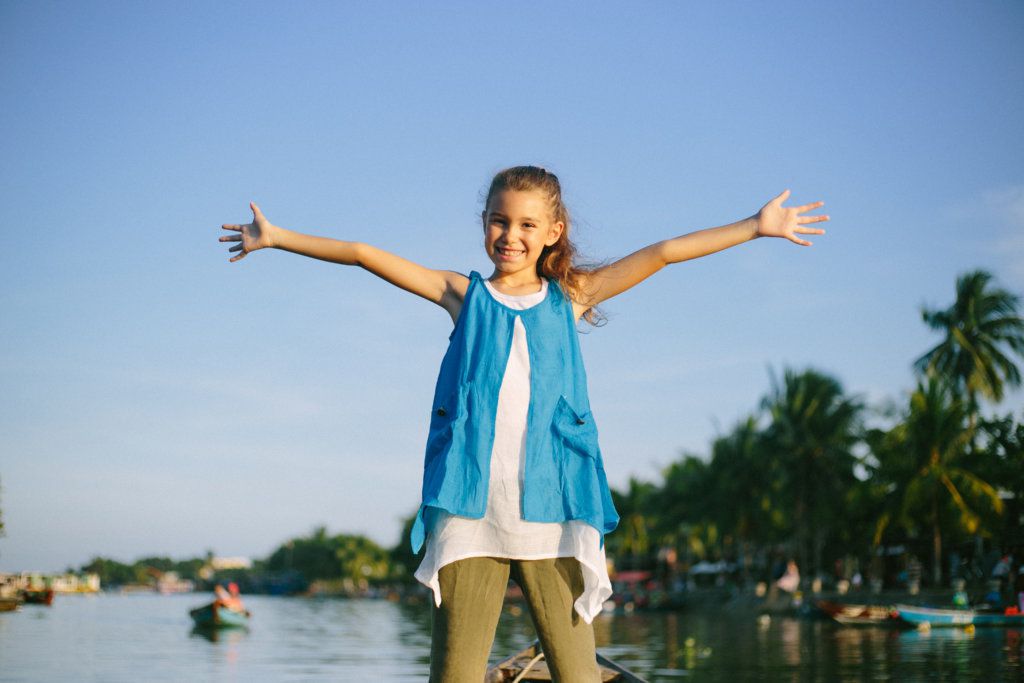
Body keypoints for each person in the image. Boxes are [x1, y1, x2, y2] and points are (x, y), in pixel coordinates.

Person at [220, 166, 827, 681]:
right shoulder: (464, 295)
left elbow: (664, 253)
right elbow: (363, 255)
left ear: (553, 232)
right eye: (499, 220)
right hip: (470, 512)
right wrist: (277, 238)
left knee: (576, 671)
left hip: (555, 511)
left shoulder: (572, 297)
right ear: (485, 223)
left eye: (527, 224)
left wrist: (755, 226)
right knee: (454, 674)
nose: (510, 235)